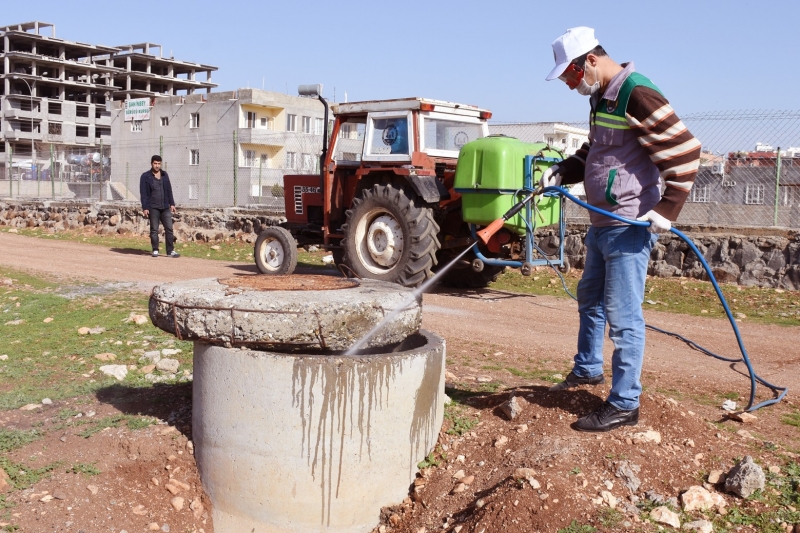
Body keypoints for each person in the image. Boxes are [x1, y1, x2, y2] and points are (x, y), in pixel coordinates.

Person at [541, 27, 700, 432]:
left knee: (623, 316)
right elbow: (596, 148)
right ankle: (588, 369)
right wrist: (564, 169)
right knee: (589, 300)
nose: (572, 85)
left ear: (590, 60)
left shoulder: (636, 92)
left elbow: (685, 149)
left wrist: (668, 206)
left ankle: (625, 402)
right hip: (601, 221)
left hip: (628, 225)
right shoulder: (602, 97)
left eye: (572, 76)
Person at [140, 155, 180, 258]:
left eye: (159, 163)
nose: (157, 166)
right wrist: (145, 207)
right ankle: (155, 249)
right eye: (155, 163)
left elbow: (169, 190)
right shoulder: (145, 176)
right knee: (154, 229)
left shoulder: (164, 175)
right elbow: (143, 193)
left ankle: (170, 251)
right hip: (153, 207)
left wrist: (172, 204)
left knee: (169, 228)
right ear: (151, 164)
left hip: (165, 206)